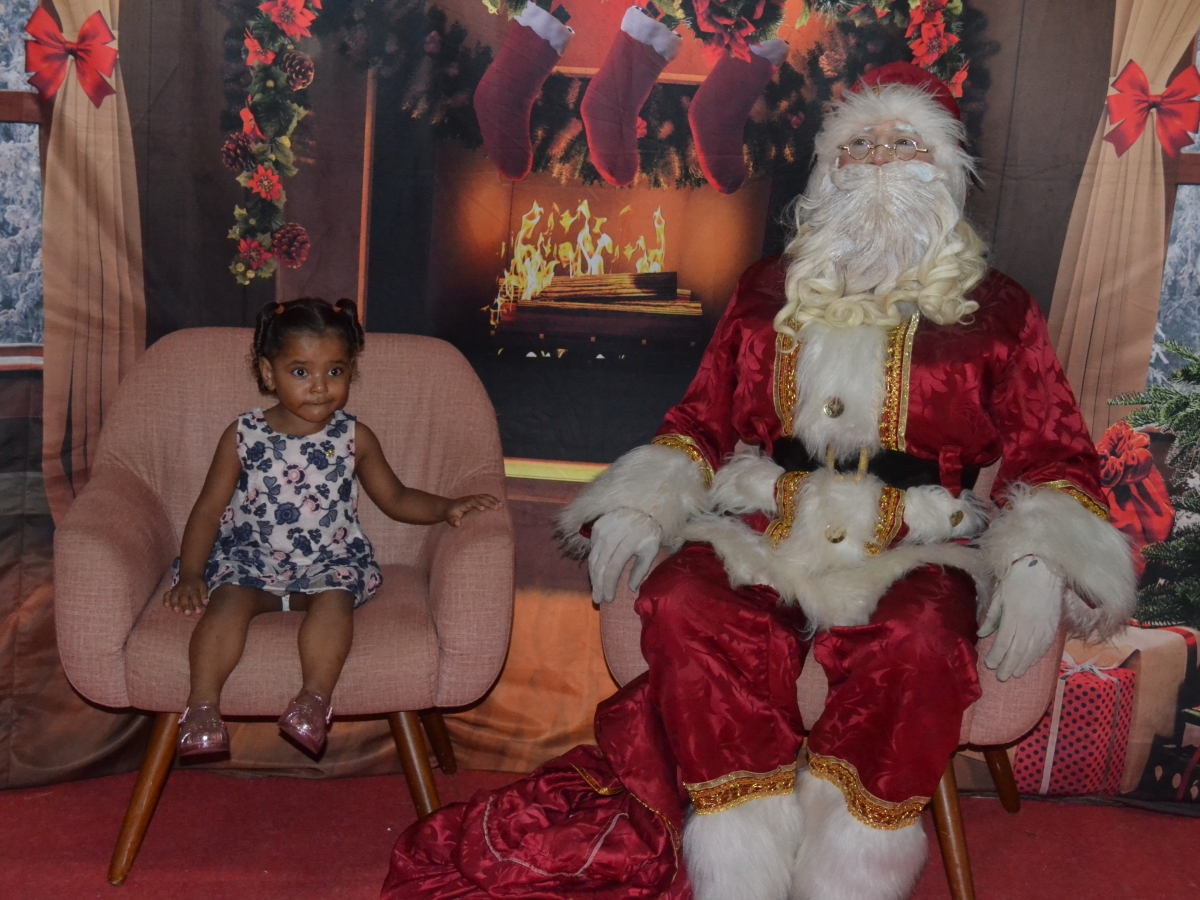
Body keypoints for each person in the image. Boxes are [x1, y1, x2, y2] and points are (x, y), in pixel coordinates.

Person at [382, 63, 1135, 900]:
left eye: (904, 142)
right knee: (682, 599)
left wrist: (1038, 562)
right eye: (860, 143)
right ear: (830, 165)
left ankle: (848, 873)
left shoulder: (999, 309)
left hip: (919, 540)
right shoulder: (766, 289)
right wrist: (641, 502)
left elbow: (1056, 453)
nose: (879, 160)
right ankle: (741, 862)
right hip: (768, 524)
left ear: (945, 166)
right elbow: (701, 419)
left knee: (920, 639)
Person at [166, 297, 501, 759]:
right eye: (301, 371)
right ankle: (202, 707)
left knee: (335, 601)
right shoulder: (243, 435)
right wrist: (191, 574)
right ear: (268, 373)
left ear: (350, 372)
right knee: (226, 604)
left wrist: (447, 508)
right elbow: (208, 509)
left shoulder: (353, 437)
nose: (320, 387)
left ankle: (312, 701)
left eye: (335, 371)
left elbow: (396, 498)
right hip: (251, 560)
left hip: (328, 560)